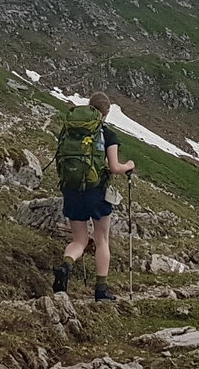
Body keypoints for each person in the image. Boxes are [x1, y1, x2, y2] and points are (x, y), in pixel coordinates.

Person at [51, 92, 136, 301]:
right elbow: (115, 167)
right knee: (101, 239)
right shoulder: (107, 134)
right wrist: (129, 166)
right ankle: (101, 290)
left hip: (72, 189)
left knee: (79, 239)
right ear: (106, 113)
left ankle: (66, 265)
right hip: (97, 192)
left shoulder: (69, 131)